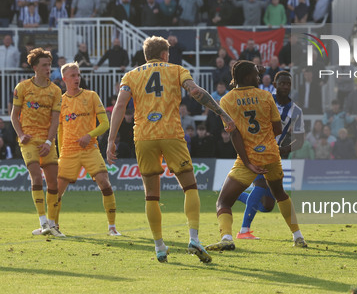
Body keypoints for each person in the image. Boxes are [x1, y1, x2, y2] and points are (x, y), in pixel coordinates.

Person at [107, 36, 236, 263]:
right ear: (166, 54)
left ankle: (159, 246)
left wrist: (111, 140)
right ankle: (194, 238)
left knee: (151, 195)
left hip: (144, 136)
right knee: (190, 186)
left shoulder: (131, 75)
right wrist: (222, 113)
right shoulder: (177, 70)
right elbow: (196, 92)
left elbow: (120, 105)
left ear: (146, 55)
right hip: (171, 134)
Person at [207, 61, 307, 250]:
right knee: (279, 195)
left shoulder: (226, 100)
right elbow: (277, 128)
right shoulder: (266, 96)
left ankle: (228, 238)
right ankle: (298, 236)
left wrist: (247, 161)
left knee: (223, 201)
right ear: (247, 77)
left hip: (248, 158)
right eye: (256, 74)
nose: (259, 77)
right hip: (271, 154)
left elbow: (234, 134)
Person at [47, 62, 120, 237]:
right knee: (57, 191)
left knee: (104, 182)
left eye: (78, 75)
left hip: (90, 149)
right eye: (73, 76)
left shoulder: (92, 96)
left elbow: (105, 124)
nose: (77, 78)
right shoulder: (60, 102)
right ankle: (53, 226)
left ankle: (112, 227)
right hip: (68, 152)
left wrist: (89, 135)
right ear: (64, 79)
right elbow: (59, 130)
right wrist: (59, 151)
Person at [236, 71, 305, 239]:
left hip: (274, 155)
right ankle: (244, 230)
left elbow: (300, 140)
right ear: (274, 84)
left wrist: (284, 149)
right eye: (281, 83)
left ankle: (234, 193)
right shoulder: (263, 99)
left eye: (288, 84)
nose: (285, 86)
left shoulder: (296, 111)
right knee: (260, 186)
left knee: (267, 205)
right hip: (255, 150)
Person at [11, 48, 62, 236]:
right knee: (36, 177)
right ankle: (43, 223)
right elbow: (14, 116)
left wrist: (49, 142)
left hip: (47, 141)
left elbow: (55, 119)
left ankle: (52, 224)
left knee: (53, 183)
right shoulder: (22, 87)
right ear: (35, 67)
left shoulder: (56, 90)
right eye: (44, 65)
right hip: (29, 139)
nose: (48, 68)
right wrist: (21, 134)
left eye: (49, 64)